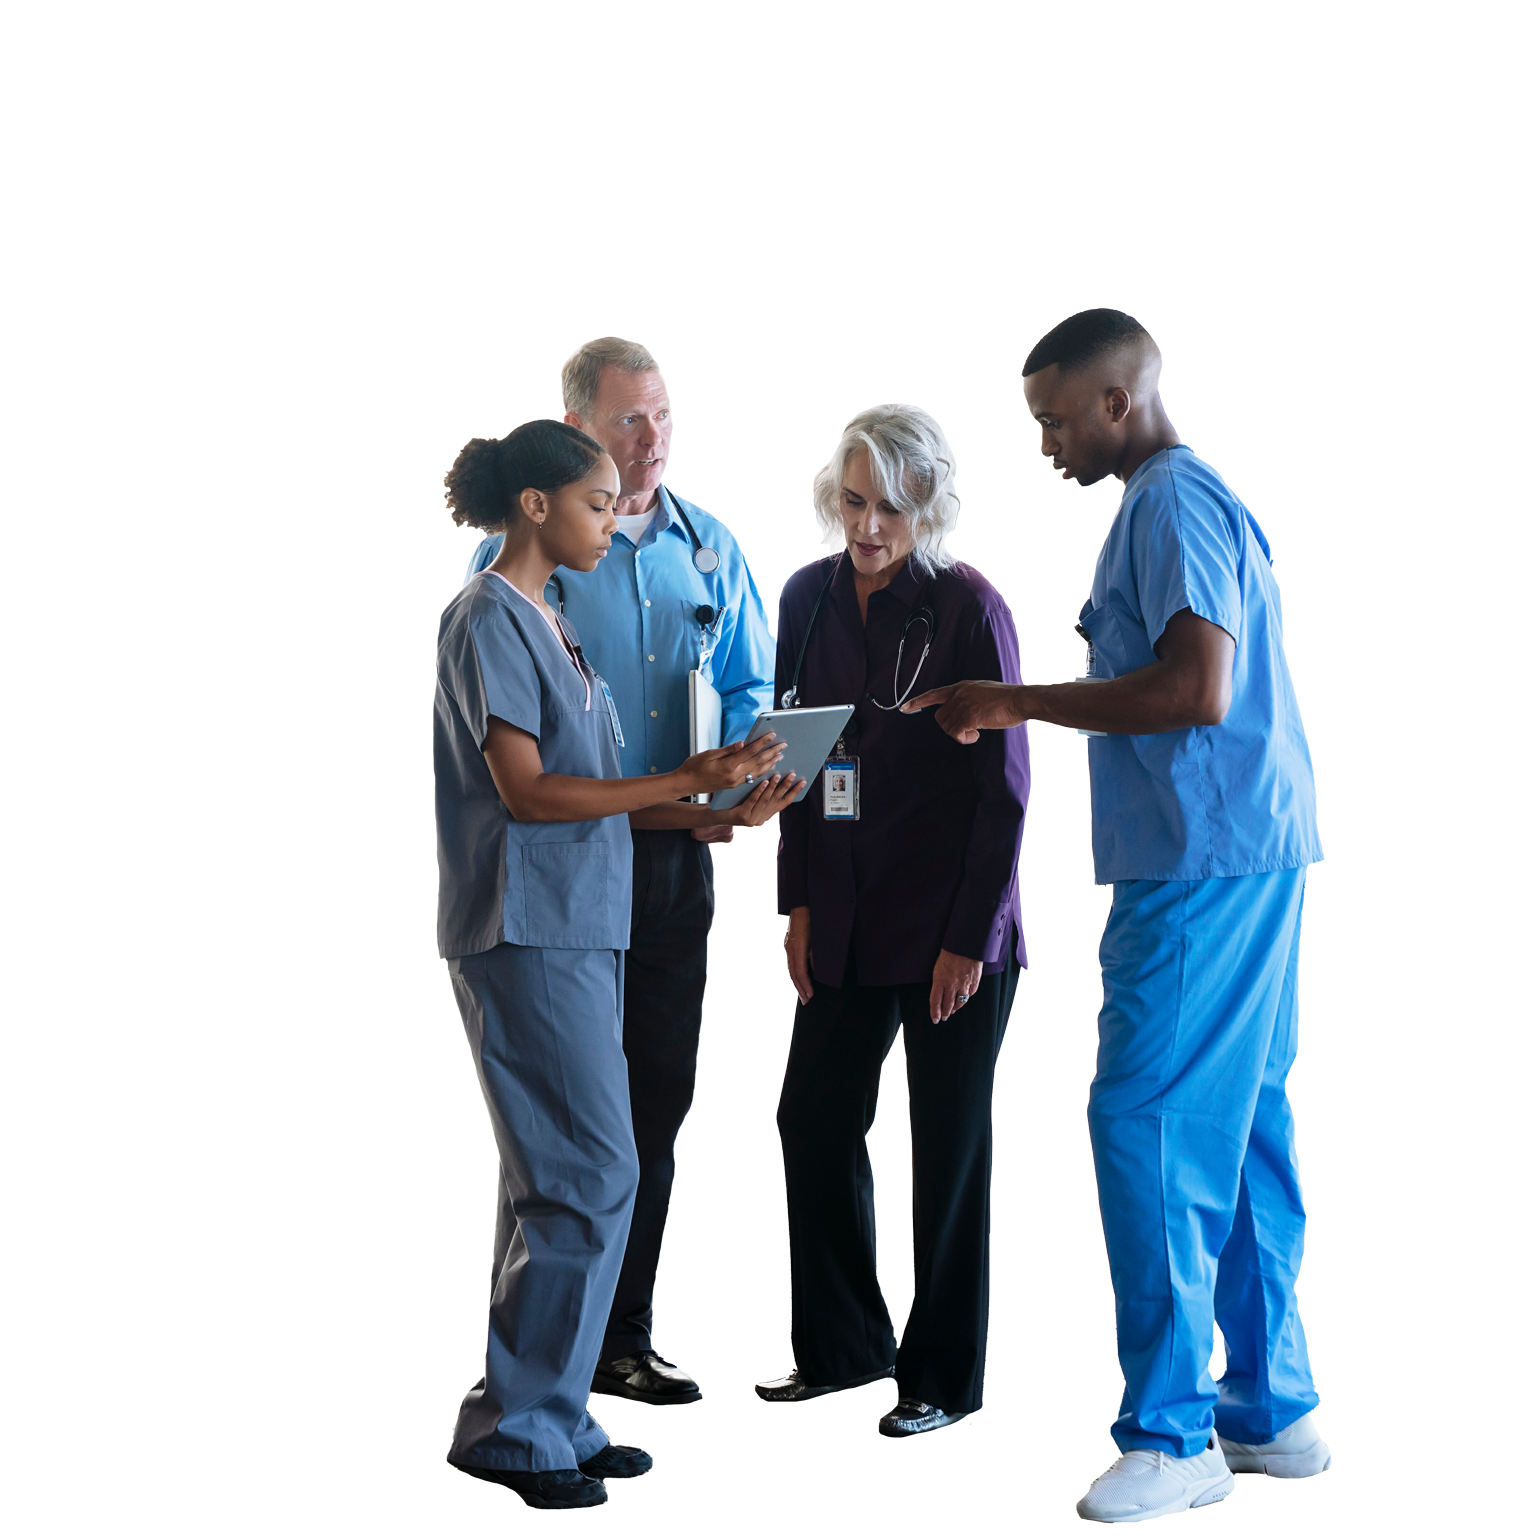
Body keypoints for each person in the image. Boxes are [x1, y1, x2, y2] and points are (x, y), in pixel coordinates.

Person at [904, 310, 1330, 1529]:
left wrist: (1007, 701)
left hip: (1203, 866)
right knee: (1241, 1123)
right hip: (1248, 851)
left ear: (1115, 401)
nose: (1043, 442)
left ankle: (1174, 1435)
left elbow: (1198, 685)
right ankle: (1274, 1408)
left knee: (1143, 1123)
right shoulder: (1175, 503)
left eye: (1052, 418)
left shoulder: (1170, 505)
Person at [434, 418, 798, 1516]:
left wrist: (711, 804)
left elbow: (592, 793)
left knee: (570, 1177)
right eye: (597, 503)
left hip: (579, 923)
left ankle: (543, 1416)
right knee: (592, 1173)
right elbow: (531, 794)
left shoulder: (551, 622)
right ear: (536, 505)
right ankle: (520, 1431)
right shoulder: (489, 617)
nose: (614, 518)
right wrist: (674, 781)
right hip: (525, 929)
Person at [747, 403, 1031, 1450]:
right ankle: (842, 1348)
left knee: (947, 1149)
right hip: (850, 914)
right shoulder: (807, 599)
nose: (869, 527)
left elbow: (1004, 795)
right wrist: (800, 906)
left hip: (952, 921)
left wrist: (971, 938)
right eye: (855, 502)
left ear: (931, 503)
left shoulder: (971, 607)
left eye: (892, 508)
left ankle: (946, 1379)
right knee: (812, 1119)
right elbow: (800, 764)